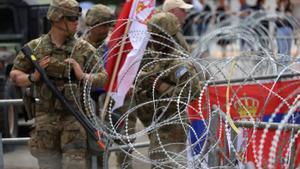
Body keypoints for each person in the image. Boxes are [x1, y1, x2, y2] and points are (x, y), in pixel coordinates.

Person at [9, 0, 108, 168]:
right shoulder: (36, 47)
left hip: (75, 119)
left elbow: (103, 76)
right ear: (57, 19)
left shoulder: (83, 48)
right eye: (71, 18)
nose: (76, 22)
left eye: (77, 18)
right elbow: (15, 74)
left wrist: (82, 75)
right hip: (46, 122)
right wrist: (33, 77)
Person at [135, 11, 200, 168]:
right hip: (158, 122)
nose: (152, 41)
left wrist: (159, 86)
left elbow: (186, 96)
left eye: (156, 37)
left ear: (167, 37)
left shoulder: (180, 64)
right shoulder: (161, 59)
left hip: (172, 125)